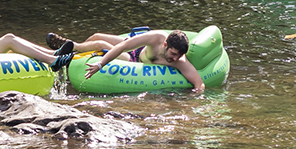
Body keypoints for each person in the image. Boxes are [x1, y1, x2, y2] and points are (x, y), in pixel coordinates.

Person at [72, 29, 206, 94]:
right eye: (173, 54)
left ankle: (73, 48)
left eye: (179, 55)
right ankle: (72, 51)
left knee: (100, 44)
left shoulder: (179, 61)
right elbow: (124, 46)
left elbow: (199, 84)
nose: (175, 58)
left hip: (132, 61)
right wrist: (100, 64)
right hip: (138, 50)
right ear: (165, 45)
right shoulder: (156, 37)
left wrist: (190, 101)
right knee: (97, 36)